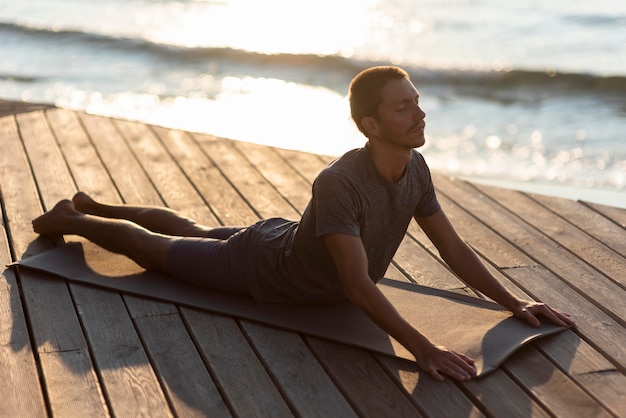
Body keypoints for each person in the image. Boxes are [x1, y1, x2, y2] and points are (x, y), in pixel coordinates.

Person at [32, 66, 574, 382]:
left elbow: (454, 251)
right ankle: (74, 218)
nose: (420, 114)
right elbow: (358, 286)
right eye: (403, 108)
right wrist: (423, 348)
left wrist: (514, 304)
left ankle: (93, 205)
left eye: (418, 103)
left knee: (190, 229)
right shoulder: (340, 182)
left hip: (279, 239)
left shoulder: (416, 168)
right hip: (262, 269)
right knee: (154, 248)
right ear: (370, 125)